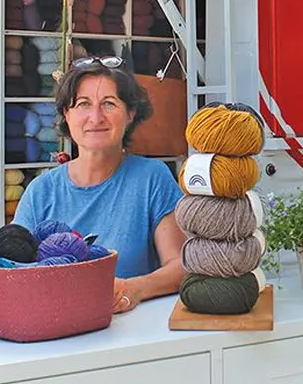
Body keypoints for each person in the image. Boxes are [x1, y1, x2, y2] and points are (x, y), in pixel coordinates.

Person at [13, 56, 183, 313]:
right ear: (66, 115)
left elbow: (180, 266)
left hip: (131, 335)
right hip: (54, 331)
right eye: (83, 104)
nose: (96, 117)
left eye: (109, 104)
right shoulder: (40, 191)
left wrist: (133, 288)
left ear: (130, 114)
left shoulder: (152, 178)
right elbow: (12, 272)